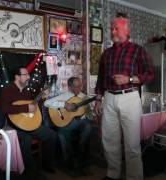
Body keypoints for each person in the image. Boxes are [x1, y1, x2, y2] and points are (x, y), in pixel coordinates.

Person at [94, 13, 154, 180]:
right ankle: (113, 174)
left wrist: (129, 79)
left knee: (132, 144)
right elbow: (101, 79)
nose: (112, 31)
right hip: (109, 98)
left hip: (130, 97)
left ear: (126, 30)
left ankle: (134, 177)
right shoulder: (106, 54)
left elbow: (149, 74)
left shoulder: (138, 50)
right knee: (109, 140)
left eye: (116, 28)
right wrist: (98, 99)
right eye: (111, 28)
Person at [0, 67, 57, 178]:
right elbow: (4, 109)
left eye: (28, 75)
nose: (29, 77)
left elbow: (33, 106)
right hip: (14, 127)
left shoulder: (27, 91)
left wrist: (41, 98)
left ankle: (46, 164)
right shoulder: (7, 90)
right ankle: (29, 171)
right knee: (26, 139)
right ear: (17, 77)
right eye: (25, 75)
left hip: (29, 125)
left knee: (51, 135)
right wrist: (26, 108)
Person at [44, 77, 92, 174]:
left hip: (80, 122)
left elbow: (89, 115)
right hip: (66, 123)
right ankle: (69, 162)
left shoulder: (84, 97)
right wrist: (64, 105)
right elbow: (46, 103)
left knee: (88, 127)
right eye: (75, 86)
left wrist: (90, 112)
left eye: (80, 86)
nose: (78, 89)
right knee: (62, 133)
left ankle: (80, 157)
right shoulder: (65, 96)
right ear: (70, 87)